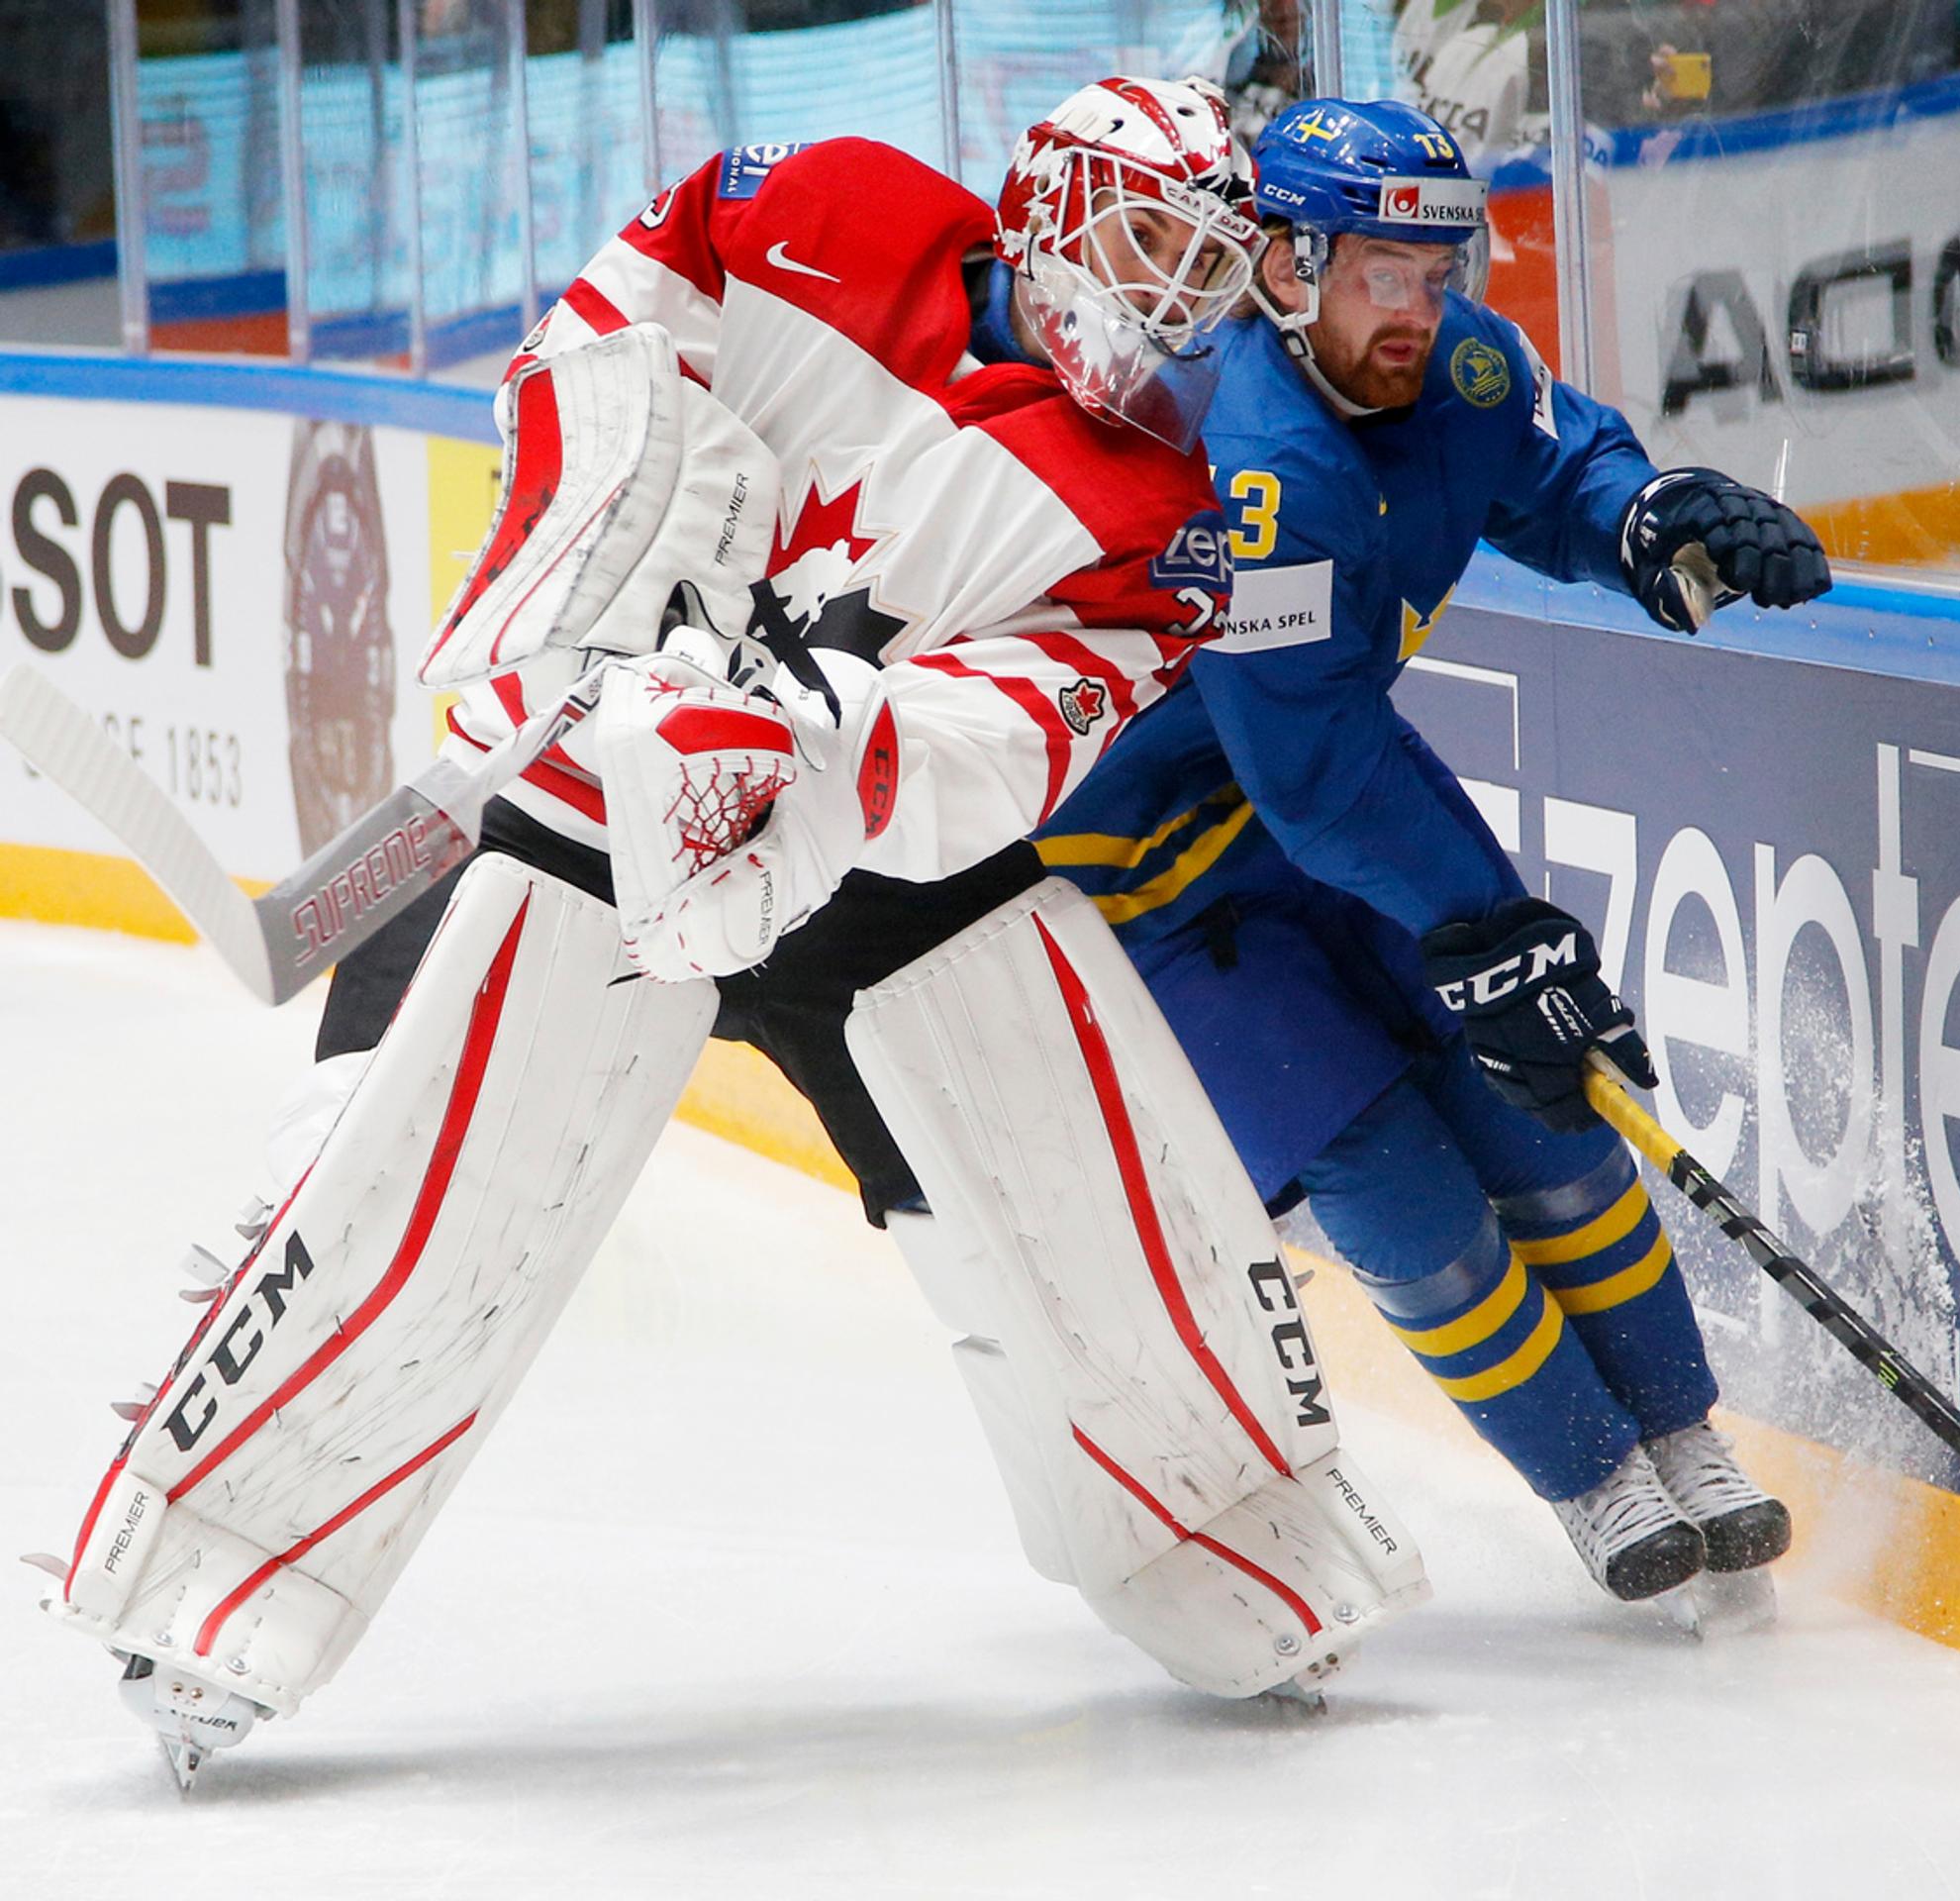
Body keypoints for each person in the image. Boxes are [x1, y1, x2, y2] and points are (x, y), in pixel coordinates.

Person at [38, 78, 1427, 1789]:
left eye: (1210, 277)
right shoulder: (830, 208)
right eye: (1152, 245)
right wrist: (594, 561)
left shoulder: (1156, 516)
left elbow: (1008, 740)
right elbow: (609, 339)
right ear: (1053, 203)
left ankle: (1231, 1532)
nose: (1172, 309)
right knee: (448, 1180)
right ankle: (210, 1575)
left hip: (872, 870)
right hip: (595, 803)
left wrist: (806, 764)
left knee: (1078, 1177)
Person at [1026, 97, 1832, 1603]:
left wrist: (1647, 517)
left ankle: (1683, 1433)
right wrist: (1482, 927)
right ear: (1281, 263)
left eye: (1435, 269)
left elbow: (1551, 464)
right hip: (1163, 865)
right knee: (1385, 1173)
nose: (1416, 309)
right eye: (1376, 277)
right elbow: (1307, 769)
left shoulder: (1455, 363)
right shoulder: (1244, 464)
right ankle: (1592, 1478)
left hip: (1341, 787)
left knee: (1534, 1094)